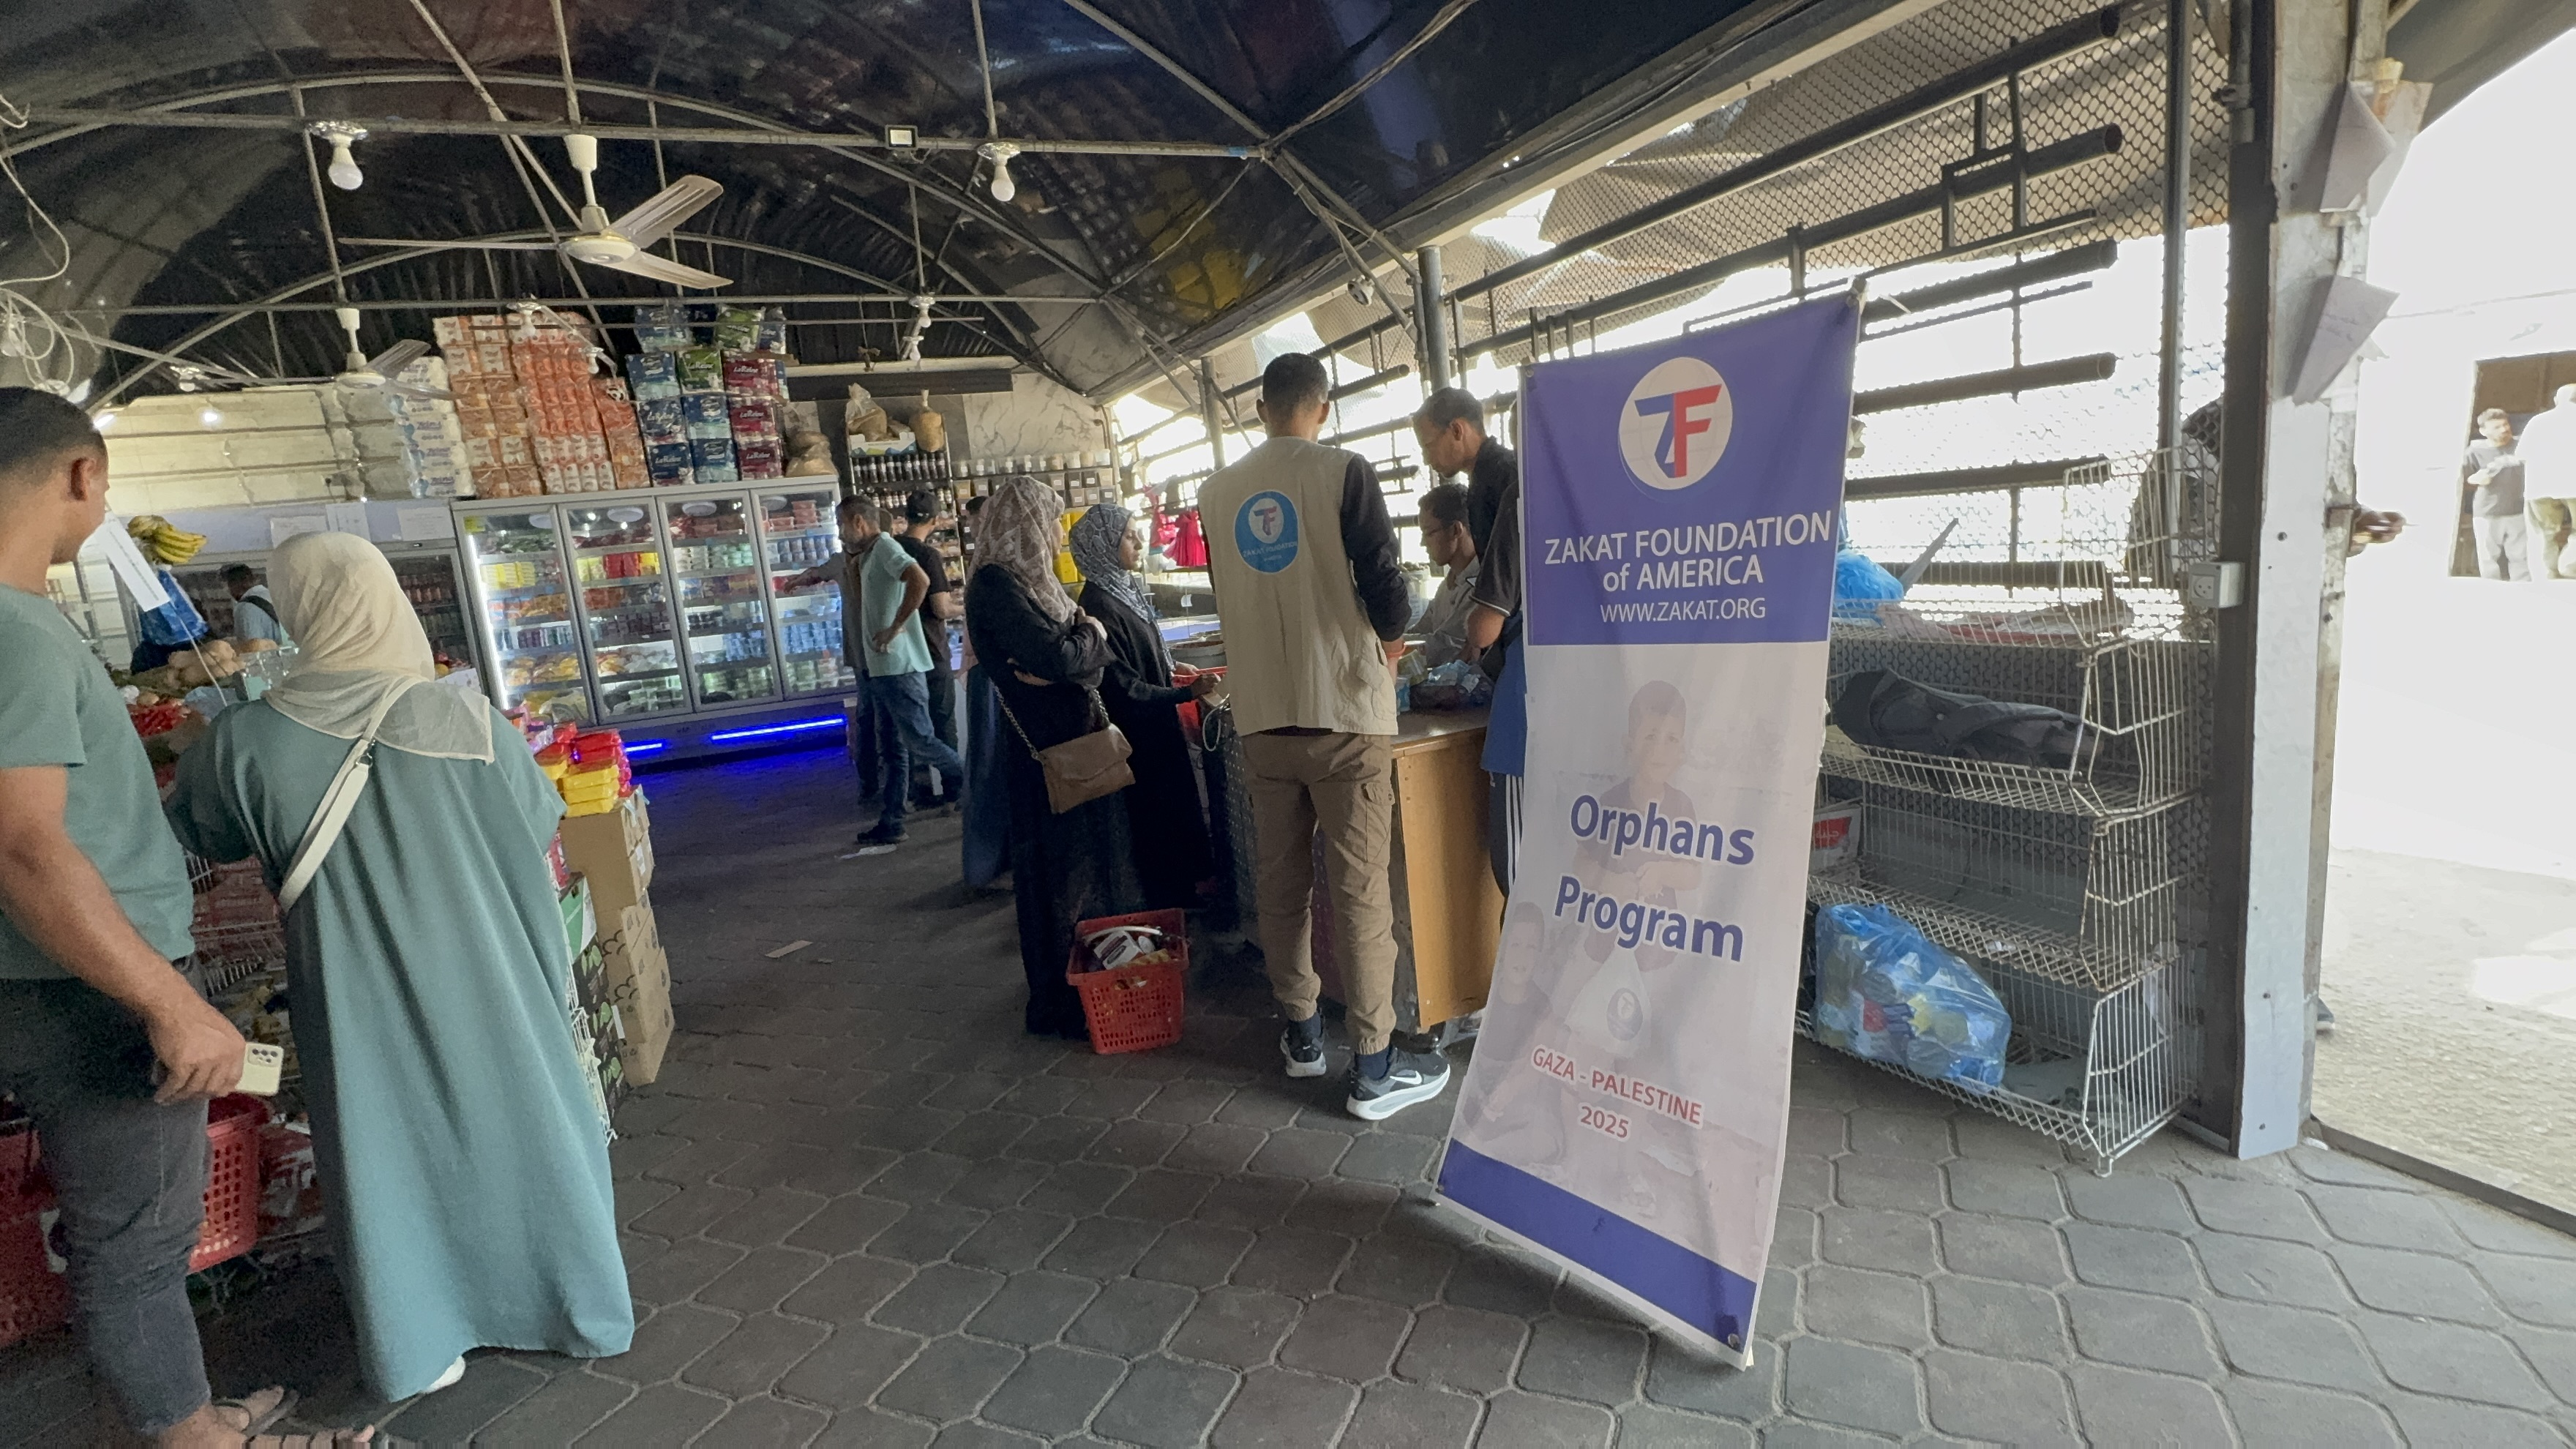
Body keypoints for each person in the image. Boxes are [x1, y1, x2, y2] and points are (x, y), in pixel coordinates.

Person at [166, 531, 634, 1405]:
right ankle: (572, 1303)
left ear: (297, 611)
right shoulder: (469, 722)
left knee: (386, 1145)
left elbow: (205, 833)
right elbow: (537, 827)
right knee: (529, 1118)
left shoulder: (245, 741)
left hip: (354, 983)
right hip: (494, 969)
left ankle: (420, 1338)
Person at [0, 388, 311, 1449]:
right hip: (83, 987)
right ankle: (196, 1442)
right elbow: (24, 846)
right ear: (82, 477)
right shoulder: (19, 632)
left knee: (123, 1235)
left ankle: (180, 1412)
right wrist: (170, 1003)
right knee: (136, 1239)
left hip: (49, 977)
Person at [1204, 353, 1445, 1121]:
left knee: (1281, 886)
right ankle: (1373, 1068)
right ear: (1322, 405)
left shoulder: (1216, 492)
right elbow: (1383, 581)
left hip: (1264, 717)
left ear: (1260, 409)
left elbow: (1229, 591)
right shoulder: (1343, 471)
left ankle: (1303, 1037)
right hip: (1344, 714)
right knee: (1358, 893)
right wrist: (1393, 635)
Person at [965, 477, 1145, 1037]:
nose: (1052, 535)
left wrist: (1078, 649)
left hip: (1076, 748)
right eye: (1046, 523)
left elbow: (1080, 661)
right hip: (1048, 760)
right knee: (1061, 879)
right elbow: (1065, 655)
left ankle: (1098, 983)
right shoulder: (997, 586)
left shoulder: (1034, 583)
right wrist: (1083, 639)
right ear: (1023, 523)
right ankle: (1063, 1001)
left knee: (1093, 872)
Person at [1070, 502, 1218, 909]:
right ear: (1103, 546)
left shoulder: (1123, 589)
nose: (1140, 542)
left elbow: (1145, 646)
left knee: (1174, 809)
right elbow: (1124, 688)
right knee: (1157, 819)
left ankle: (1185, 893)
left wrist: (1171, 665)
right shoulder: (1099, 606)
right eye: (1129, 536)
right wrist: (1185, 693)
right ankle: (1168, 904)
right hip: (1140, 737)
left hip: (1158, 727)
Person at [795, 497, 965, 845]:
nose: (840, 532)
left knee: (921, 741)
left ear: (858, 522)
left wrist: (896, 626)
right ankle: (893, 821)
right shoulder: (866, 555)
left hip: (898, 665)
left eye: (842, 524)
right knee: (894, 747)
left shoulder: (886, 548)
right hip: (882, 667)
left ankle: (978, 787)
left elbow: (917, 580)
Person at [958, 495, 1013, 889]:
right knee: (992, 768)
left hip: (989, 676)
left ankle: (992, 863)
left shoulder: (992, 563)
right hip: (994, 678)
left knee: (994, 769)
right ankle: (989, 864)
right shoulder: (997, 571)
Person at [893, 490, 962, 803]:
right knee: (943, 722)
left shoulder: (890, 549)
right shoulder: (929, 556)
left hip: (900, 653)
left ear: (905, 516)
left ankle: (918, 792)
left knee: (912, 729)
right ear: (936, 521)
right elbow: (941, 608)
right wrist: (966, 605)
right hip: (932, 650)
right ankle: (955, 791)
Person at [1414, 386, 1519, 559]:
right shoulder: (1485, 476)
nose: (1426, 459)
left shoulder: (1503, 477)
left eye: (1428, 446)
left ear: (1457, 430)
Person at [1411, 482, 1481, 667]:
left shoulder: (1481, 587)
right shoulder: (1448, 584)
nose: (1422, 543)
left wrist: (1390, 649)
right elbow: (1423, 630)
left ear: (1456, 530)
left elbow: (1445, 645)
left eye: (1428, 533)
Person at [2513, 383, 2576, 580]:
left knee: (2543, 533)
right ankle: (2569, 564)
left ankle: (2545, 575)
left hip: (2539, 487)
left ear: (2557, 400)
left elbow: (2520, 455)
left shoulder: (2538, 421)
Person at [2463, 408, 2528, 581]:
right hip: (2487, 511)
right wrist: (2477, 478)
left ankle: (2524, 593)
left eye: (2505, 424)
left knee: (2521, 557)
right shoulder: (2474, 451)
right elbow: (2464, 479)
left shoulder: (2522, 445)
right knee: (2488, 558)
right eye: (2497, 427)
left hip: (2519, 510)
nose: (2504, 429)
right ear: (2484, 431)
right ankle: (2491, 594)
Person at [222, 564, 288, 647]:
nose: (229, 592)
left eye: (229, 586)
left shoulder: (245, 608)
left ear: (236, 584)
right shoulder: (273, 596)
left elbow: (251, 648)